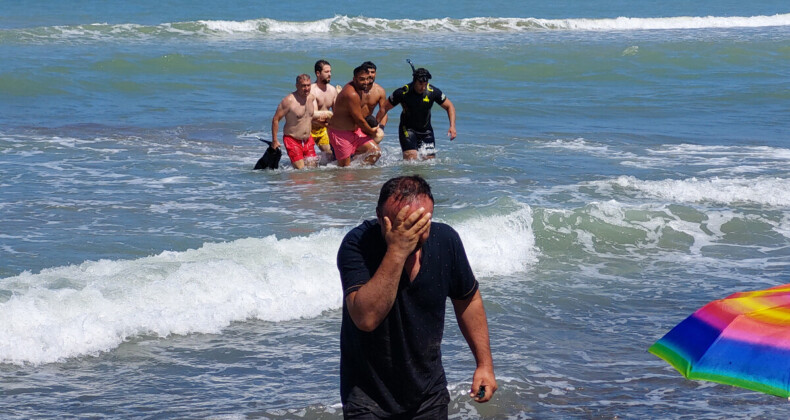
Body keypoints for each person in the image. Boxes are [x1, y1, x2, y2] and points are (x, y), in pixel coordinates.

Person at [337, 175, 497, 419]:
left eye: (419, 224)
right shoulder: (357, 245)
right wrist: (397, 249)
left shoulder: (446, 241)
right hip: (368, 397)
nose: (409, 232)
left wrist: (484, 364)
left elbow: (468, 300)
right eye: (401, 224)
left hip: (427, 393)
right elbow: (366, 318)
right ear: (380, 217)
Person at [381, 67, 456, 160]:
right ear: (414, 81)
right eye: (420, 84)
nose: (423, 87)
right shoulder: (403, 92)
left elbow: (450, 106)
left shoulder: (433, 92)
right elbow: (384, 108)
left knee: (429, 160)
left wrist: (452, 126)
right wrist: (376, 126)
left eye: (425, 84)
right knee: (411, 158)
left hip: (426, 131)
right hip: (408, 129)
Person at [328, 65, 383, 167]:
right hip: (341, 134)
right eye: (362, 79)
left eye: (367, 79)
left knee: (375, 152)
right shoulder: (352, 94)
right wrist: (371, 131)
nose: (365, 82)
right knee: (344, 169)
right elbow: (359, 120)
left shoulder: (360, 89)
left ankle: (357, 171)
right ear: (354, 79)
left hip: (355, 132)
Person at [271, 74, 319, 169]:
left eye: (308, 85)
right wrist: (275, 140)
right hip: (292, 139)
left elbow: (308, 118)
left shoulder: (311, 98)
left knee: (313, 170)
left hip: (307, 139)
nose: (306, 88)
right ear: (297, 86)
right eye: (303, 86)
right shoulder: (289, 101)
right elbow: (276, 119)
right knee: (301, 170)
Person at [311, 59, 338, 156]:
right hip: (309, 128)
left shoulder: (332, 90)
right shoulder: (312, 90)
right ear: (318, 73)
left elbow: (337, 114)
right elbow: (314, 115)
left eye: (330, 71)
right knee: (307, 160)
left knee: (329, 154)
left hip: (323, 129)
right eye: (326, 72)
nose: (329, 74)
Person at [359, 61, 389, 143]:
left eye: (373, 72)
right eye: (367, 72)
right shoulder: (355, 89)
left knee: (379, 136)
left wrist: (381, 127)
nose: (370, 75)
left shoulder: (380, 91)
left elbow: (384, 111)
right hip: (354, 122)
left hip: (369, 124)